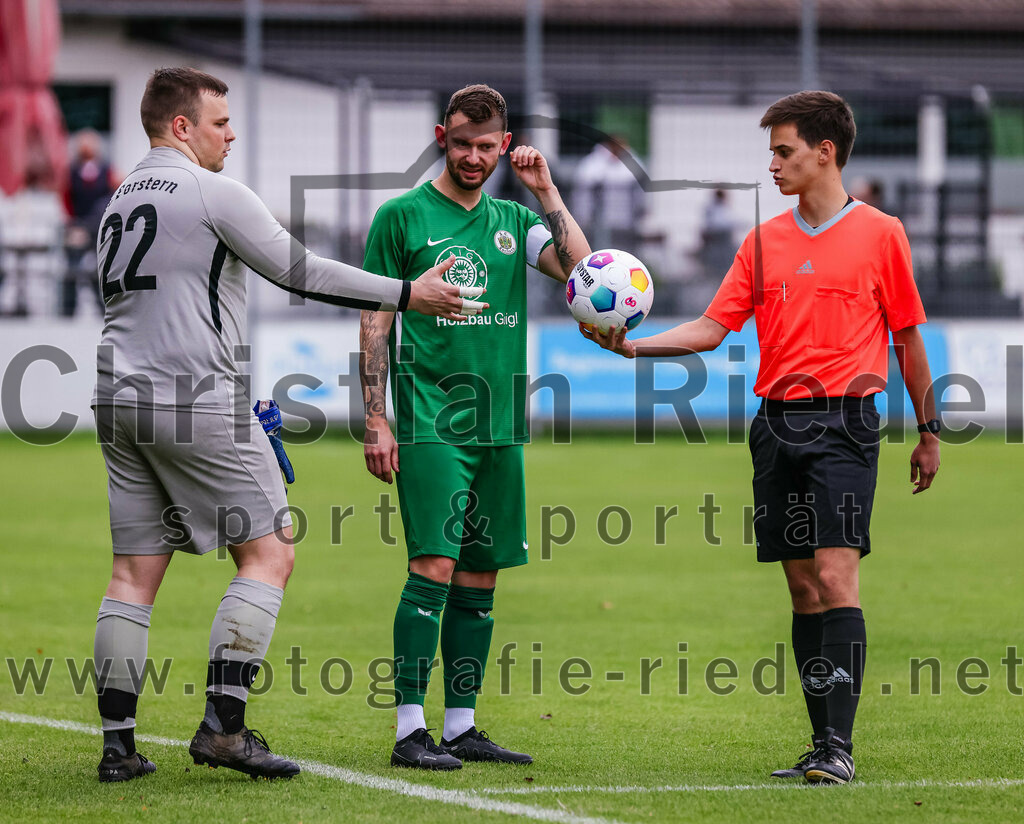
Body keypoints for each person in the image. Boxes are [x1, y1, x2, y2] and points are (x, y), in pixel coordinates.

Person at [91, 67, 482, 783]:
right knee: (270, 555)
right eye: (219, 122)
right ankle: (225, 730)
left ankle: (118, 747)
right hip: (196, 396)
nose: (230, 134)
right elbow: (300, 270)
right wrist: (407, 292)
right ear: (181, 127)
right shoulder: (211, 191)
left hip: (117, 397)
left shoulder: (118, 200)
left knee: (131, 573)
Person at [583, 91, 940, 785]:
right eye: (772, 152)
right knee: (803, 588)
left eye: (783, 151)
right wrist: (634, 350)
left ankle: (839, 746)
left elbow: (908, 339)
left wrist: (929, 432)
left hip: (847, 422)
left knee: (837, 576)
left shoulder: (881, 234)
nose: (773, 164)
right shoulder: (763, 241)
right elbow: (713, 328)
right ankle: (820, 743)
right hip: (775, 426)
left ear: (825, 152)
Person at [359, 84, 590, 770]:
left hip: (499, 425)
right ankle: (408, 729)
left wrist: (546, 191)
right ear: (441, 135)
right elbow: (375, 319)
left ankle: (460, 725)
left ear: (504, 144)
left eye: (487, 147)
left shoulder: (514, 222)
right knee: (433, 566)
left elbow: (585, 273)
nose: (474, 157)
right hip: (432, 420)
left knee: (482, 577)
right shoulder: (400, 217)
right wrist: (377, 417)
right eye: (462, 143)